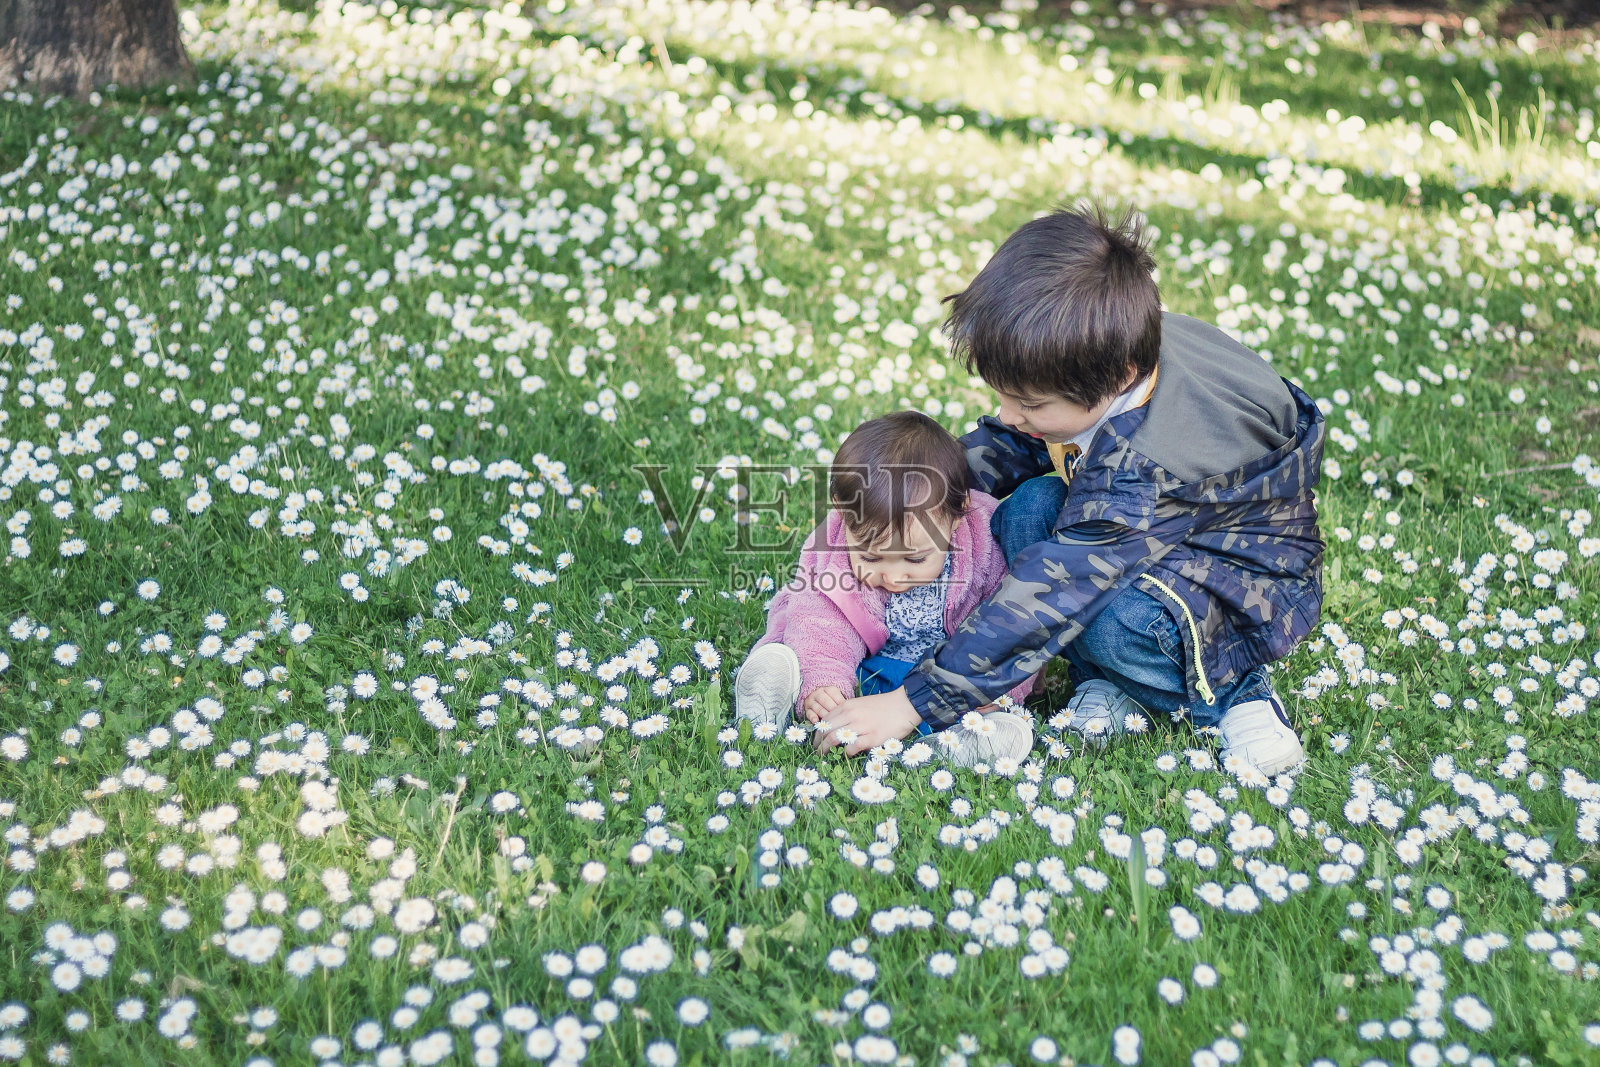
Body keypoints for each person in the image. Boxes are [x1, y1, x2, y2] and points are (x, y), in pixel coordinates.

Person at [813, 204, 1326, 776]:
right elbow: (1020, 448)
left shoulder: (1141, 469)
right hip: (1148, 542)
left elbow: (1050, 596)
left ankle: (1238, 696)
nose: (1007, 415)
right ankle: (1110, 682)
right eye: (1004, 395)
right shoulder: (1116, 342)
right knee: (1027, 512)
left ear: (1118, 375)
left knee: (1112, 622)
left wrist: (911, 702)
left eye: (1028, 404)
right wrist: (904, 497)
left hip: (1238, 588)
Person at [733, 410, 1038, 767]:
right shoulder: (834, 548)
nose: (893, 577)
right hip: (866, 664)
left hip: (946, 675)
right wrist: (826, 681)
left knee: (981, 706)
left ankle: (966, 740)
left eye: (914, 559)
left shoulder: (986, 547)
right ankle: (777, 689)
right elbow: (822, 619)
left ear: (958, 517)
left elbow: (1012, 624)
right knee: (805, 652)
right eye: (872, 558)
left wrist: (996, 691)